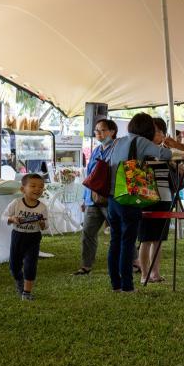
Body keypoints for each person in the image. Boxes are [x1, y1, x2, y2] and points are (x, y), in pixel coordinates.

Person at [106, 112, 184, 292]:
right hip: (129, 198)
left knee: (115, 242)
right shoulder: (141, 141)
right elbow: (165, 154)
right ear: (147, 129)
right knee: (128, 243)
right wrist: (173, 145)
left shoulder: (118, 141)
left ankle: (115, 284)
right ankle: (127, 286)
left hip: (113, 197)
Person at [73, 118, 118, 276]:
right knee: (88, 232)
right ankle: (86, 265)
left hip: (110, 198)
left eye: (102, 130)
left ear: (112, 132)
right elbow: (91, 176)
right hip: (92, 199)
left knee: (119, 231)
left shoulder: (117, 149)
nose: (98, 133)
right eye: (96, 130)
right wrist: (85, 199)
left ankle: (133, 261)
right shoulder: (96, 150)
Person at [137, 117, 180, 284]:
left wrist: (175, 165)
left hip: (165, 198)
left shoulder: (165, 152)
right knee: (145, 239)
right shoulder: (142, 151)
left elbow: (176, 173)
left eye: (162, 131)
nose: (160, 134)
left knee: (159, 239)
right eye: (157, 131)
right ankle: (144, 274)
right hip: (147, 199)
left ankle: (155, 273)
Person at [1, 173, 48, 301]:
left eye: (41, 186)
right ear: (23, 189)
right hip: (18, 236)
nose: (37, 189)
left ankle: (27, 292)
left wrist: (42, 223)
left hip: (33, 238)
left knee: (30, 265)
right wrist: (12, 218)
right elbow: (3, 217)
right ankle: (19, 280)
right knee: (14, 266)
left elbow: (45, 226)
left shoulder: (42, 207)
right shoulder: (16, 203)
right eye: (33, 186)